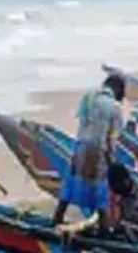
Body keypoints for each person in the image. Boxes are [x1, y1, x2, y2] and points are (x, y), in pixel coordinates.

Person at [53, 73, 125, 226]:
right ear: (118, 90)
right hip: (98, 152)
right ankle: (104, 229)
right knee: (100, 190)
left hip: (80, 147)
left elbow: (83, 123)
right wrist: (113, 160)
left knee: (71, 183)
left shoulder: (89, 97)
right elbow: (111, 138)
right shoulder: (115, 107)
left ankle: (57, 218)